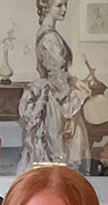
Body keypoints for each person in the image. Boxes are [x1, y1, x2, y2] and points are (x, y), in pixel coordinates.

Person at [18, 0, 91, 173]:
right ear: (46, 7)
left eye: (65, 4)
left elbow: (58, 71)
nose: (64, 9)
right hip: (55, 99)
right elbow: (56, 75)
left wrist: (74, 81)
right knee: (59, 147)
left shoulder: (49, 33)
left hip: (56, 92)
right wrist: (75, 87)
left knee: (61, 149)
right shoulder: (49, 37)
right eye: (59, 5)